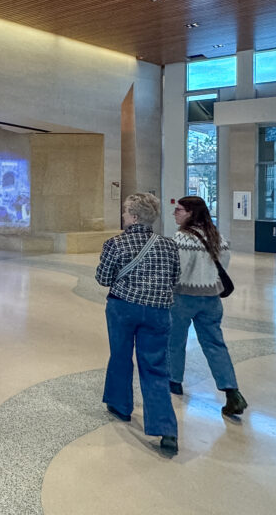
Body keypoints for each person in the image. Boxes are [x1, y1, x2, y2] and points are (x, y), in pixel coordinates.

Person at [96, 192, 182, 456]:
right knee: (156, 367)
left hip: (123, 308)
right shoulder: (169, 245)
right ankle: (165, 428)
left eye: (125, 212)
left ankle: (120, 405)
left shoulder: (116, 243)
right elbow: (175, 277)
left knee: (121, 356)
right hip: (158, 312)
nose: (123, 216)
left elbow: (103, 277)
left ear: (133, 217)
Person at [168, 196, 248, 417]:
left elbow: (177, 270)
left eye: (179, 210)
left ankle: (174, 381)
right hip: (211, 299)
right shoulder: (218, 237)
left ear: (191, 213)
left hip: (183, 297)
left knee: (174, 341)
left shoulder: (181, 238)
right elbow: (223, 266)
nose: (175, 213)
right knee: (215, 345)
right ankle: (232, 391)